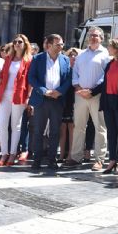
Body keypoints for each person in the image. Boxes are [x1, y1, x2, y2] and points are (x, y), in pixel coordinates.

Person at [86, 38, 118, 175]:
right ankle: (112, 159)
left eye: (110, 46)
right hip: (108, 101)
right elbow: (104, 83)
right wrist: (91, 92)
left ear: (117, 48)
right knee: (112, 132)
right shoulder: (110, 64)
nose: (108, 48)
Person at [64, 27, 110, 171]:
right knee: (79, 126)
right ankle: (76, 157)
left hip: (97, 95)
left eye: (96, 36)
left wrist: (92, 91)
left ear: (102, 38)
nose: (92, 38)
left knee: (100, 127)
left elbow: (105, 76)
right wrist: (78, 88)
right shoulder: (82, 54)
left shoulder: (105, 54)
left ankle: (99, 159)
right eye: (91, 35)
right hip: (80, 95)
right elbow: (75, 73)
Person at [28, 34, 72, 171]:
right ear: (50, 45)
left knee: (55, 132)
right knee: (38, 131)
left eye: (62, 44)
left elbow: (68, 79)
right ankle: (37, 160)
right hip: (42, 99)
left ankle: (52, 160)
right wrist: (43, 90)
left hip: (57, 100)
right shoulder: (38, 58)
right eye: (58, 44)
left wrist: (60, 91)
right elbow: (31, 77)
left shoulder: (65, 59)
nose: (61, 46)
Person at [0, 34, 33, 166]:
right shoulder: (8, 59)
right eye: (15, 41)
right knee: (2, 124)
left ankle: (12, 153)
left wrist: (28, 97)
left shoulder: (28, 60)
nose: (17, 43)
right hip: (4, 94)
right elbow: (1, 76)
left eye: (20, 42)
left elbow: (30, 81)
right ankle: (4, 153)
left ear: (25, 44)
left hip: (19, 95)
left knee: (15, 126)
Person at [59, 48, 79, 162]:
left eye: (75, 55)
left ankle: (71, 154)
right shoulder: (64, 69)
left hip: (75, 100)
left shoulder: (79, 69)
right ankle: (61, 154)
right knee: (62, 128)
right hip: (64, 100)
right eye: (71, 55)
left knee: (72, 128)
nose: (73, 57)